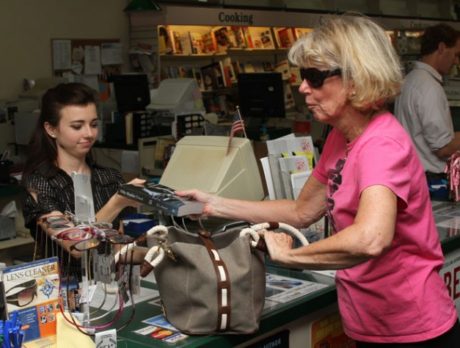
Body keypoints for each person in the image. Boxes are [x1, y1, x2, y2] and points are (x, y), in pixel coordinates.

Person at [176, 15, 460, 347]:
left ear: (355, 79)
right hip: (369, 322)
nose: (302, 87)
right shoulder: (343, 136)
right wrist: (213, 203)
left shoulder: (382, 144)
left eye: (314, 77)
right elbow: (302, 210)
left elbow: (371, 238)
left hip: (409, 330)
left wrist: (290, 256)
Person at [21, 82, 143, 251]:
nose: (89, 134)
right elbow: (76, 246)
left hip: (110, 277)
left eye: (93, 124)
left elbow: (122, 251)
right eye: (77, 126)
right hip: (61, 277)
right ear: (51, 129)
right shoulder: (39, 184)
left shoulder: (110, 178)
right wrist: (116, 203)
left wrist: (157, 252)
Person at [395, 24, 460, 178]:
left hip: (412, 173)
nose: (456, 62)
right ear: (442, 48)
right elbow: (443, 148)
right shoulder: (429, 87)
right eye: (456, 55)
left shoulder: (411, 79)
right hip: (430, 180)